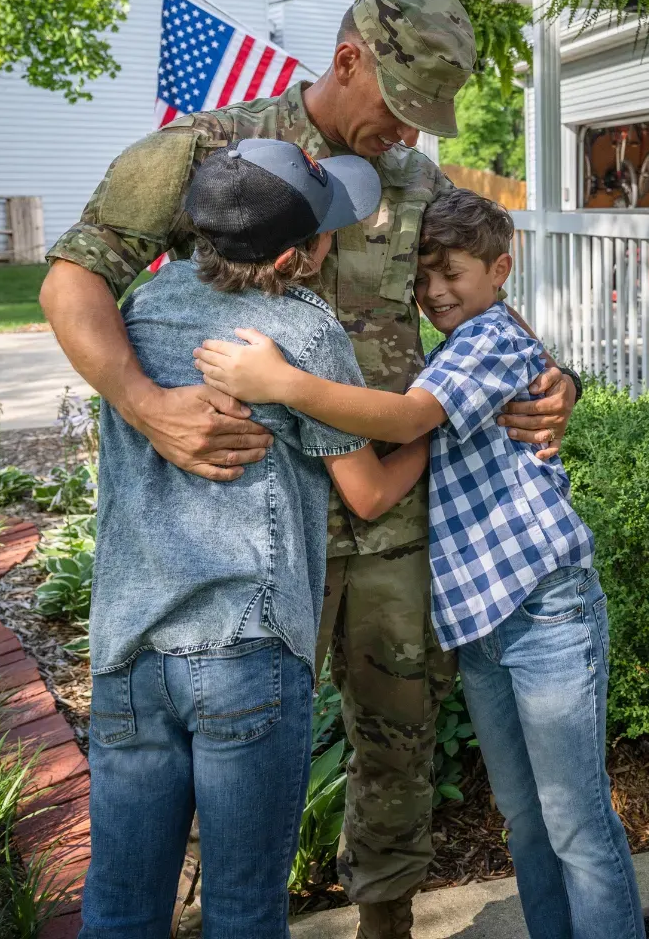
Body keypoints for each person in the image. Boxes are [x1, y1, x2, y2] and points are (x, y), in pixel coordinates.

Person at [40, 0, 580, 939]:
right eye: (401, 105)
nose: (411, 133)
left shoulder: (417, 183)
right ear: (346, 60)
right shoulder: (207, 151)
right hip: (248, 542)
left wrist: (548, 380)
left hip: (385, 519)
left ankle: (386, 922)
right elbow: (75, 282)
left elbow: (476, 301)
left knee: (397, 741)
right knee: (231, 751)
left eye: (428, 116)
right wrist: (150, 404)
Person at [193, 188, 645, 939]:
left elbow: (405, 418)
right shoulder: (454, 351)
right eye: (423, 277)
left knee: (576, 825)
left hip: (545, 607)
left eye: (453, 275)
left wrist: (281, 382)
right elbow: (386, 478)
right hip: (481, 622)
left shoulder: (488, 338)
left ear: (501, 269)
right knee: (525, 824)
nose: (435, 293)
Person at [80, 139, 432, 938]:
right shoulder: (298, 335)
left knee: (119, 905)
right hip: (248, 649)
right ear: (296, 259)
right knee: (242, 909)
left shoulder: (138, 310)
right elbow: (369, 494)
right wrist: (431, 428)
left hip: (130, 646)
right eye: (325, 231)